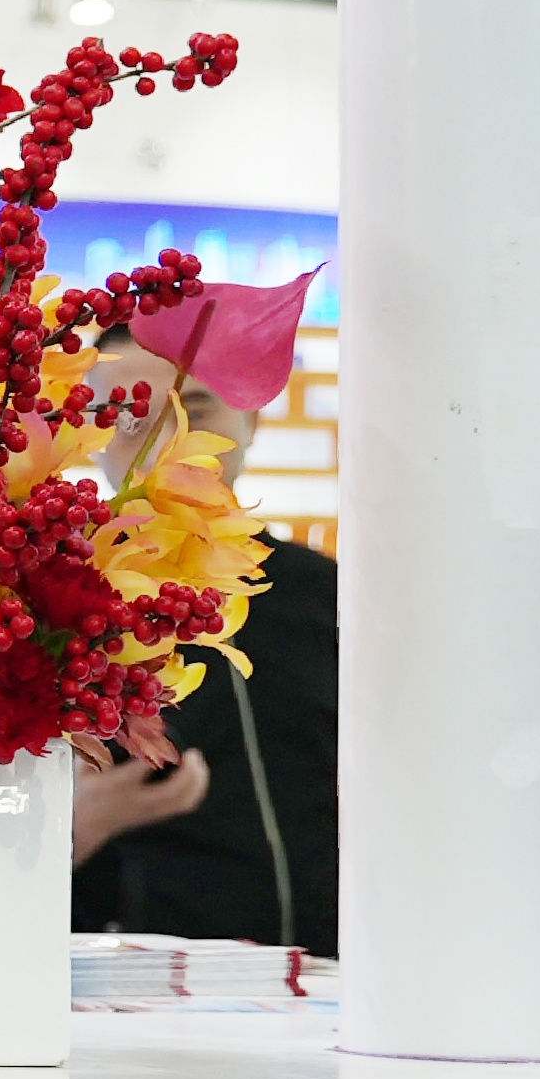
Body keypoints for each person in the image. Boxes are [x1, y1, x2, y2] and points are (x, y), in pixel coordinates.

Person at [69, 340, 337, 953]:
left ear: (251, 421)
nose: (171, 444)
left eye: (197, 409)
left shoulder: (332, 598)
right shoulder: (60, 605)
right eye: (131, 417)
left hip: (334, 976)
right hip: (127, 981)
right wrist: (69, 827)